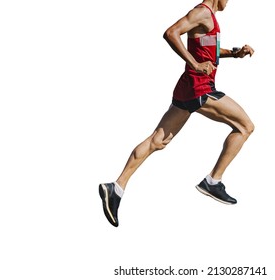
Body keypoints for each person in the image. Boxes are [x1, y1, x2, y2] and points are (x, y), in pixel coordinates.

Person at [99, 0, 255, 227]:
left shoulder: (208, 17)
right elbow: (171, 33)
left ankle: (116, 187)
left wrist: (234, 53)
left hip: (187, 89)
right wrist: (195, 64)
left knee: (157, 140)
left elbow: (208, 52)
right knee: (245, 126)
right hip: (199, 88)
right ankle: (213, 181)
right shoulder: (202, 13)